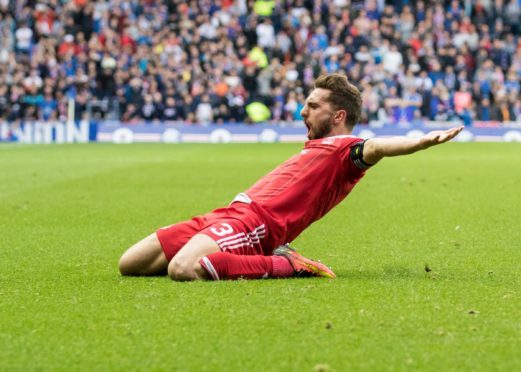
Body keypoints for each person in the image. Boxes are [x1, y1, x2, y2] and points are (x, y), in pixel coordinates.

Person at [118, 74, 463, 281]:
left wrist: (418, 141)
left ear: (338, 115)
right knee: (130, 263)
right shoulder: (318, 144)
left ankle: (288, 264)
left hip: (254, 225)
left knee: (184, 269)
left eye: (313, 106)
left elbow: (378, 147)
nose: (303, 111)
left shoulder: (348, 150)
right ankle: (263, 256)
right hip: (227, 214)